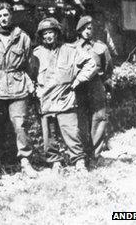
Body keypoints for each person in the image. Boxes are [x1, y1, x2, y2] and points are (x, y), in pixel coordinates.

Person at [32, 17, 97, 170]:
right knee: (49, 135)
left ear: (57, 33)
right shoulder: (37, 53)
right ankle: (55, 162)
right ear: (41, 36)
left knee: (71, 131)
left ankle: (79, 161)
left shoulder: (70, 50)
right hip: (45, 100)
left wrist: (78, 80)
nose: (48, 36)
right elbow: (30, 73)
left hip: (65, 98)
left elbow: (91, 64)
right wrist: (35, 89)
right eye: (45, 33)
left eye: (51, 32)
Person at [0, 2, 37, 177]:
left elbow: (29, 64)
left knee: (20, 126)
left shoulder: (23, 37)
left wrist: (29, 83)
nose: (3, 19)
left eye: (6, 15)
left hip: (18, 89)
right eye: (0, 16)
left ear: (11, 15)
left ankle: (25, 161)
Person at [74, 15, 113, 163]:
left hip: (96, 85)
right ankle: (84, 154)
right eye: (83, 29)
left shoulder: (101, 47)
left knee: (99, 118)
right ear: (79, 31)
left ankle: (96, 155)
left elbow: (108, 68)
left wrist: (104, 84)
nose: (87, 32)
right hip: (79, 87)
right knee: (81, 119)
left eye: (89, 28)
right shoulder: (73, 48)